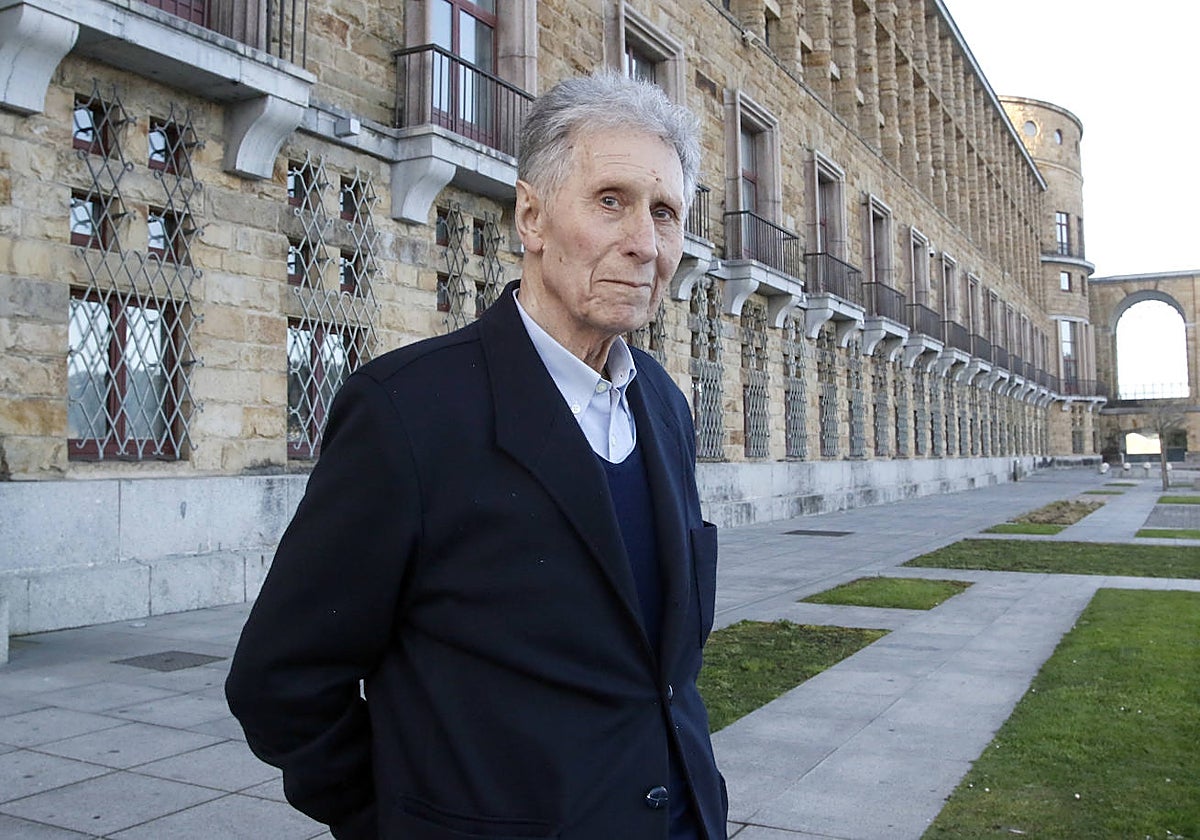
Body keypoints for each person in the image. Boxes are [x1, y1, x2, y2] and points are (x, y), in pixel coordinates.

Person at [226, 71, 727, 840]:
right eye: (610, 200)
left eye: (665, 213)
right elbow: (282, 682)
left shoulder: (663, 403)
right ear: (532, 216)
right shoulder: (407, 412)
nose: (644, 243)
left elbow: (659, 667)